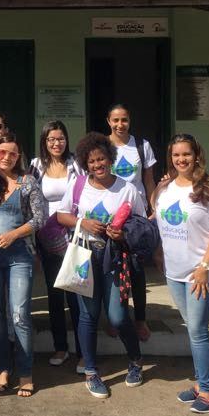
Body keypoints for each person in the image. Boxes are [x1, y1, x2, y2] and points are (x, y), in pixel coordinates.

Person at [56, 132, 145, 399]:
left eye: (102, 159)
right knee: (88, 315)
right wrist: (83, 223)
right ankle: (91, 372)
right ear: (85, 163)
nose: (98, 165)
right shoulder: (79, 185)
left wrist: (123, 234)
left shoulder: (127, 188)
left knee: (117, 316)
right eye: (92, 161)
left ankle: (136, 360)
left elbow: (140, 223)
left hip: (115, 257)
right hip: (85, 257)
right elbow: (61, 215)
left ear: (110, 158)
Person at [153, 133, 209, 414]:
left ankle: (208, 391)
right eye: (176, 155)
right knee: (193, 330)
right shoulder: (165, 188)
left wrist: (204, 267)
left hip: (202, 273)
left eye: (186, 154)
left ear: (196, 155)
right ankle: (200, 383)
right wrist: (159, 254)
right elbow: (159, 222)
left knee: (197, 331)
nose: (181, 159)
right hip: (174, 272)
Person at [0, 133, 45, 397]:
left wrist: (13, 234)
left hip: (20, 255)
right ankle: (4, 369)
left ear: (19, 156)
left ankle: (25, 372)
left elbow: (41, 218)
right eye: (1, 152)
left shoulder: (28, 182)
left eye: (12, 153)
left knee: (19, 314)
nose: (6, 157)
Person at [29, 120, 83, 368]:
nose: (56, 143)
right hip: (46, 237)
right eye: (51, 139)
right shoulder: (36, 166)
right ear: (44, 141)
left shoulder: (76, 164)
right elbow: (29, 199)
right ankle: (60, 347)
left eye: (60, 138)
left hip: (73, 235)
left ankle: (83, 350)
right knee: (54, 293)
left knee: (76, 293)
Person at [105, 104, 156, 342]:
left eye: (124, 120)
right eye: (115, 120)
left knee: (136, 270)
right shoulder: (103, 146)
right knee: (114, 268)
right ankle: (117, 317)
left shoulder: (141, 146)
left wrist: (152, 210)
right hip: (110, 216)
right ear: (108, 121)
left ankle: (140, 320)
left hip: (135, 218)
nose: (120, 124)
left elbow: (149, 180)